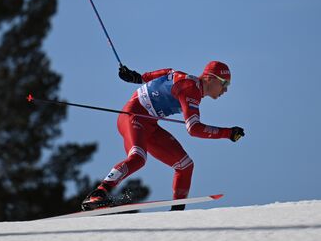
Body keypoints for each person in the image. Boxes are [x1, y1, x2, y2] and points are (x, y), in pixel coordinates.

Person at [81, 61, 245, 211]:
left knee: (185, 165)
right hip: (132, 117)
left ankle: (177, 212)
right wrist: (227, 133)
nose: (226, 89)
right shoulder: (191, 89)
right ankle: (98, 193)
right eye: (224, 83)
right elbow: (194, 129)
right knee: (138, 157)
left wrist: (138, 77)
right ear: (210, 78)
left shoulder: (189, 82)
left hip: (149, 124)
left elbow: (168, 72)